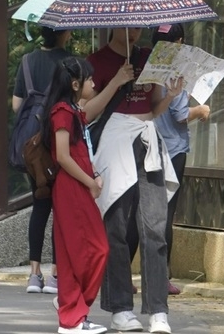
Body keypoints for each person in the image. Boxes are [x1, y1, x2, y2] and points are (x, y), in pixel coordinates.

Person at [86, 27, 182, 334]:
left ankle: (158, 311)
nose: (135, 33)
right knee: (115, 229)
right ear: (114, 25)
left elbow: (153, 109)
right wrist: (116, 81)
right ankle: (120, 308)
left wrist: (171, 96)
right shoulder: (96, 62)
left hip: (147, 141)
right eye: (130, 27)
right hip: (114, 143)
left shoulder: (148, 58)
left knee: (155, 228)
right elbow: (85, 113)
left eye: (140, 27)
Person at [42, 57, 109, 334]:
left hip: (78, 185)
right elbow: (63, 156)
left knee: (78, 254)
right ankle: (72, 313)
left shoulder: (73, 111)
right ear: (74, 84)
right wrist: (90, 182)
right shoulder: (62, 112)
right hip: (72, 188)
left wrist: (93, 176)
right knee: (94, 250)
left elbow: (80, 153)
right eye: (89, 79)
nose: (94, 82)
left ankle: (72, 311)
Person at [12, 26, 73, 294]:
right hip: (56, 141)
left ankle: (34, 274)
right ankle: (55, 275)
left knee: (40, 204)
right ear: (65, 33)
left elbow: (17, 105)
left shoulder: (27, 61)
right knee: (60, 208)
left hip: (32, 147)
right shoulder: (69, 63)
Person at [151, 24, 210, 295]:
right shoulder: (175, 70)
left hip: (148, 148)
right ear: (179, 42)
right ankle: (161, 277)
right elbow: (180, 115)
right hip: (172, 150)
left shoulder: (148, 68)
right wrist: (200, 109)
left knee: (145, 214)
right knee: (166, 215)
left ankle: (127, 274)